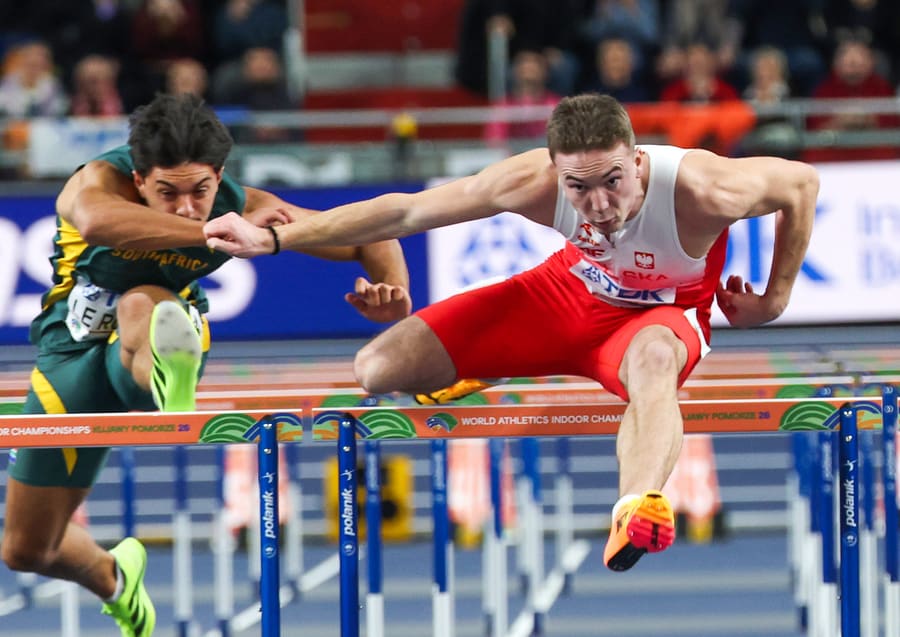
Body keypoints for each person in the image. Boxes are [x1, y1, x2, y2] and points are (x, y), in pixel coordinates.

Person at [204, 93, 818, 572]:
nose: (599, 204)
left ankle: (636, 506)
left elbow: (801, 184)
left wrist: (773, 299)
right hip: (566, 296)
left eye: (613, 182)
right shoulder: (529, 183)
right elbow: (406, 211)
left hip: (659, 318)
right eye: (578, 188)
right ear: (555, 173)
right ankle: (478, 366)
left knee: (655, 361)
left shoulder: (706, 186)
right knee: (378, 369)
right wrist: (275, 239)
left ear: (637, 162)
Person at [0, 92, 411, 637]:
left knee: (141, 302)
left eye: (201, 191)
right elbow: (97, 223)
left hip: (151, 340)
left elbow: (366, 231)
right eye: (167, 193)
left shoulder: (243, 201)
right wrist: (221, 233)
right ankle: (115, 577)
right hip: (66, 355)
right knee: (26, 550)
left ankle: (172, 368)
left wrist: (397, 299)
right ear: (140, 177)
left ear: (219, 174)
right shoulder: (96, 182)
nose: (187, 207)